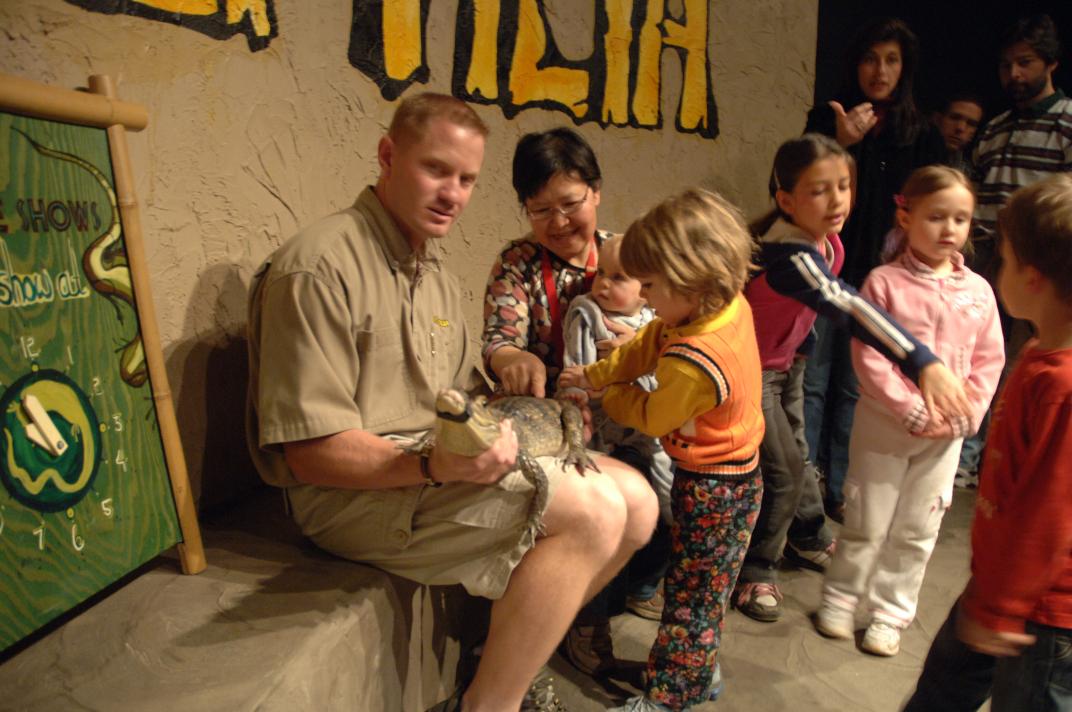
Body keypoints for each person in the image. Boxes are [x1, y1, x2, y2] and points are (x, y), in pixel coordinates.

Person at [245, 93, 658, 712]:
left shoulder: (430, 270)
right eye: (436, 170)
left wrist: (497, 426)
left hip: (429, 465)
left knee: (639, 502)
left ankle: (505, 662)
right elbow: (310, 456)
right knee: (593, 511)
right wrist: (435, 464)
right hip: (352, 494)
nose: (452, 194)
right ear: (388, 156)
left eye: (466, 179)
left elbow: (459, 397)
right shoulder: (319, 268)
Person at [735, 136, 973, 623]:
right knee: (783, 472)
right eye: (819, 190)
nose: (837, 200)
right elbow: (844, 303)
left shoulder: (827, 241)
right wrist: (921, 360)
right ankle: (757, 569)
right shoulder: (790, 254)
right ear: (786, 201)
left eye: (843, 186)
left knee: (799, 456)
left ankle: (806, 534)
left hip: (785, 366)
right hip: (750, 372)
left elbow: (804, 313)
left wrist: (799, 353)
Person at [559, 188, 764, 711]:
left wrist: (609, 393)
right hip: (726, 475)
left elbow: (652, 415)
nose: (645, 299)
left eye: (649, 286)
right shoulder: (713, 307)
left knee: (691, 597)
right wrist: (596, 372)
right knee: (704, 587)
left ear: (691, 278)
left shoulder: (696, 360)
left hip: (718, 487)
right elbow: (648, 341)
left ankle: (670, 696)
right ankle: (699, 669)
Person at [482, 127, 663, 676]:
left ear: (596, 192)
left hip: (628, 409)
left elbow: (671, 323)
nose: (559, 222)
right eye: (541, 210)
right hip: (557, 417)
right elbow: (499, 338)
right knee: (597, 496)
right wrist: (513, 357)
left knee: (664, 483)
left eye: (570, 204)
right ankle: (585, 629)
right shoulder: (517, 262)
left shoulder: (628, 253)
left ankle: (631, 587)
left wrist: (643, 348)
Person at [814, 166, 1004, 658]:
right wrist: (910, 407)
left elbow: (989, 359)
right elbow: (869, 355)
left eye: (960, 219)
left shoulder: (979, 291)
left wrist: (968, 414)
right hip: (885, 425)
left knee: (919, 528)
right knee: (867, 518)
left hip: (945, 438)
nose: (949, 229)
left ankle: (890, 613)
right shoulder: (884, 283)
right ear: (906, 216)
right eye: (936, 217)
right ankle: (840, 598)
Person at [904, 174, 1072, 712]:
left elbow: (1048, 513)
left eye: (1003, 259)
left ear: (1032, 277)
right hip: (1001, 584)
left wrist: (1001, 608)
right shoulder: (1041, 354)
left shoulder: (1062, 384)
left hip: (1040, 614)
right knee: (942, 692)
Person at [802, 17, 946, 521]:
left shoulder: (921, 132)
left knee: (855, 387)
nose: (879, 71)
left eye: (891, 60)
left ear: (904, 68)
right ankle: (806, 493)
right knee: (813, 383)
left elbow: (933, 200)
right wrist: (840, 142)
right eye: (870, 59)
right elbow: (799, 188)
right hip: (825, 272)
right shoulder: (827, 118)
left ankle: (841, 489)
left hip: (885, 279)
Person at [957, 14, 1072, 490]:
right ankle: (968, 456)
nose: (1014, 74)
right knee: (978, 353)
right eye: (1006, 65)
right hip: (988, 255)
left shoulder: (1066, 121)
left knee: (1026, 357)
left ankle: (1012, 457)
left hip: (1040, 262)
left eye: (1025, 63)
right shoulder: (997, 127)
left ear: (1051, 63)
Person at [560, 234, 675, 620]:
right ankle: (599, 608)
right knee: (619, 512)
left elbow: (666, 380)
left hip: (651, 433)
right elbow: (578, 373)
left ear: (647, 289)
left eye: (619, 277)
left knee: (668, 511)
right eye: (601, 273)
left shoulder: (656, 323)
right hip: (605, 435)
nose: (604, 284)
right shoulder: (588, 313)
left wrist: (639, 352)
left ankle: (644, 586)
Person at [933, 92, 985, 172]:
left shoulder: (968, 172)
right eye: (954, 118)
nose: (960, 128)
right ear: (937, 119)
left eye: (971, 124)